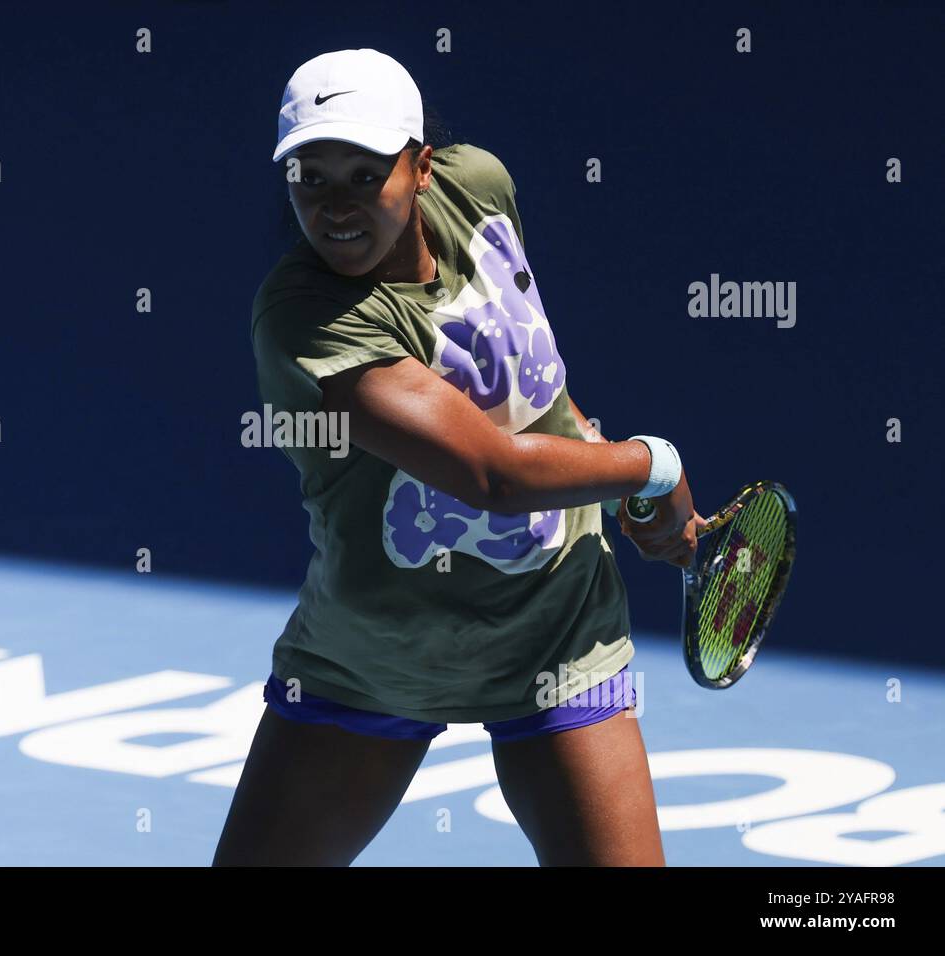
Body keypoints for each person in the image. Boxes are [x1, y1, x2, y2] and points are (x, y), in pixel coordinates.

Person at [214, 48, 705, 867]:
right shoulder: (305, 319)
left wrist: (598, 461)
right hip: (382, 652)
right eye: (311, 177)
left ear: (423, 167)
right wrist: (651, 465)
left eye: (365, 174)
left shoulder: (482, 190)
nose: (335, 206)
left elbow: (529, 377)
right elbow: (494, 475)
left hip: (559, 631)